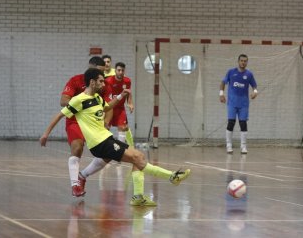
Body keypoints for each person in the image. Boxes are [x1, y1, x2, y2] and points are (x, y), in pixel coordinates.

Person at [41, 68, 191, 205]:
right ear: (92, 82)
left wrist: (120, 96)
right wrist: (46, 134)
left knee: (137, 158)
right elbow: (59, 115)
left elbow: (107, 107)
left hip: (106, 138)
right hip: (99, 143)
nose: (103, 83)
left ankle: (139, 197)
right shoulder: (79, 100)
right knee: (138, 157)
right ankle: (172, 177)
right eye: (100, 81)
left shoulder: (98, 98)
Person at [61, 56, 109, 197]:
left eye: (102, 73)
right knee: (77, 146)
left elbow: (109, 106)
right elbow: (63, 100)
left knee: (108, 154)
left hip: (95, 122)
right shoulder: (76, 80)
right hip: (76, 120)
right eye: (97, 71)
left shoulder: (102, 84)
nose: (100, 76)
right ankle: (75, 184)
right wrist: (80, 104)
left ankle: (83, 175)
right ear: (90, 67)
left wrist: (107, 121)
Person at [105, 62, 152, 205]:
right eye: (118, 70)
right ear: (115, 70)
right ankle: (106, 152)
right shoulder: (109, 81)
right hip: (109, 107)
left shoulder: (127, 81)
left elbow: (128, 95)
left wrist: (130, 103)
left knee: (122, 128)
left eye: (122, 70)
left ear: (124, 71)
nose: (120, 72)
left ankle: (118, 154)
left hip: (120, 109)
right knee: (105, 128)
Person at [220, 54, 258, 154]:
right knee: (231, 122)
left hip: (244, 104)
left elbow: (254, 86)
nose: (243, 62)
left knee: (243, 124)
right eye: (241, 60)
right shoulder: (231, 72)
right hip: (232, 103)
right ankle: (229, 145)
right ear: (238, 61)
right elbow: (223, 82)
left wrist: (255, 92)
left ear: (247, 62)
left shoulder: (249, 74)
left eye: (245, 61)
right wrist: (221, 94)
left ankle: (243, 147)